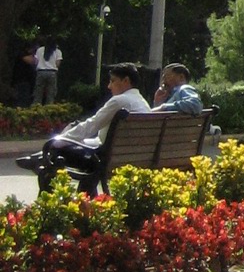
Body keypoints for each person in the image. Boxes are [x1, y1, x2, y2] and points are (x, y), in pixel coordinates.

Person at [15, 64, 151, 192]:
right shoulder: (142, 103)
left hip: (105, 158)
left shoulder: (120, 101)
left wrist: (57, 141)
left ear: (126, 81)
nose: (109, 86)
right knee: (66, 148)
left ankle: (38, 161)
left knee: (54, 156)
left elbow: (91, 125)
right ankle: (38, 158)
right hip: (128, 156)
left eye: (113, 81)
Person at [33, 41, 61, 106]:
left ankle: (36, 107)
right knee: (51, 92)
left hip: (41, 72)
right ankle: (49, 107)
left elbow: (36, 61)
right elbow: (58, 63)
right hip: (52, 72)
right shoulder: (57, 51)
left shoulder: (39, 50)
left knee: (38, 92)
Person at [9, 41, 37, 107]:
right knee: (21, 97)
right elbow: (32, 61)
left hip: (27, 80)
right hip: (21, 80)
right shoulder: (22, 54)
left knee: (25, 96)